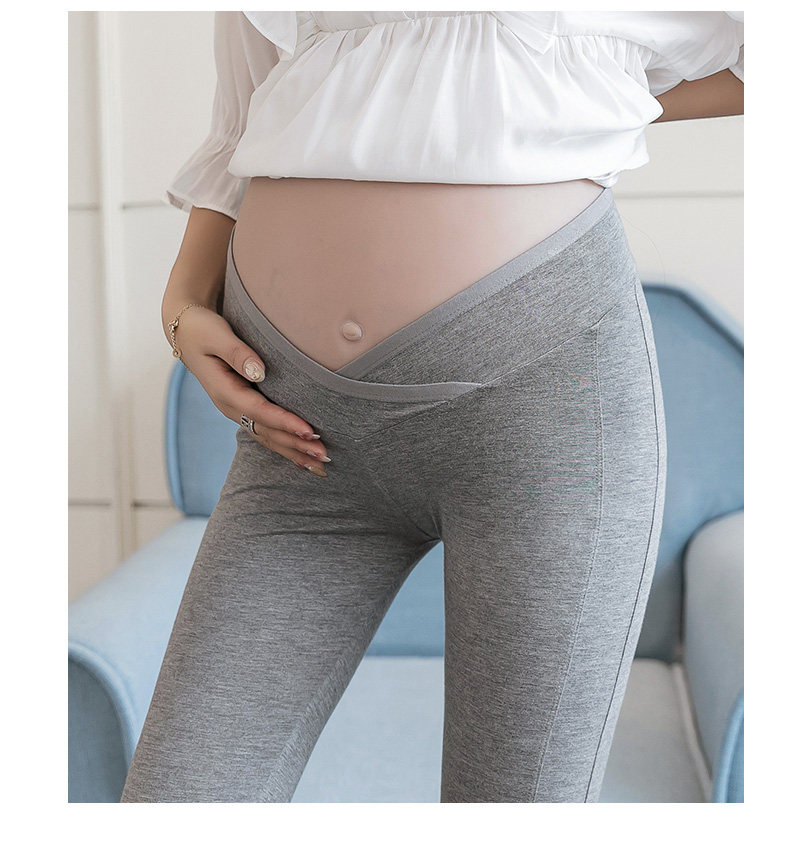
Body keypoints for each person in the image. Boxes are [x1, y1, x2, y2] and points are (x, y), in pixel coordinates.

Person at [120, 11, 744, 803]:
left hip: (538, 421)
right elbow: (244, 113)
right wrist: (182, 301)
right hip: (297, 438)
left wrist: (608, 87)